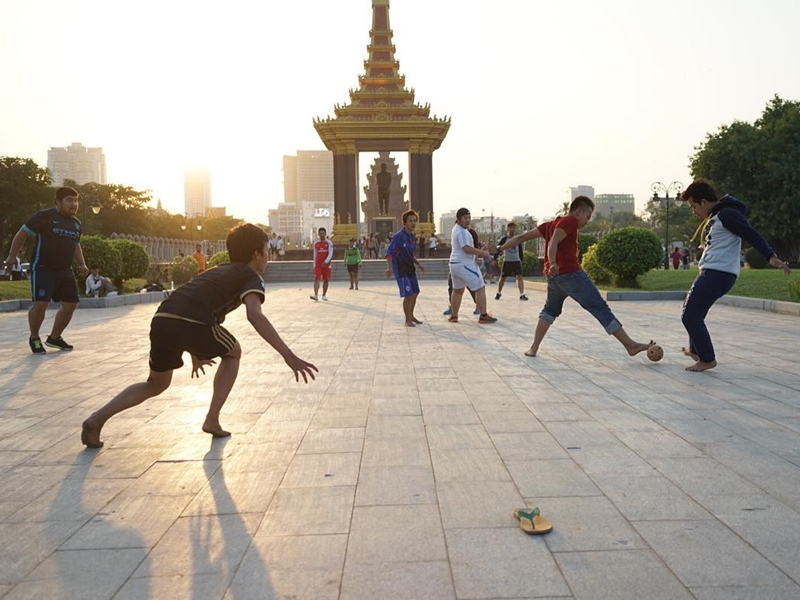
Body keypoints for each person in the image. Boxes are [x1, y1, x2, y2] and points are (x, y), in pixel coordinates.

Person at [80, 223, 318, 448]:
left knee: (155, 383)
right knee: (233, 352)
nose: (269, 256)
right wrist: (289, 356)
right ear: (256, 254)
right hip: (192, 322)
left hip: (162, 319)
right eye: (267, 251)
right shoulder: (250, 276)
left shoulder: (217, 270)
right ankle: (212, 419)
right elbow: (254, 315)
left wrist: (196, 351)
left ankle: (97, 419)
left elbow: (190, 302)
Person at [500, 196, 653, 357]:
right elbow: (553, 242)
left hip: (554, 278)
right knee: (599, 307)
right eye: (587, 217)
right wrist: (552, 262)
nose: (586, 222)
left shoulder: (549, 225)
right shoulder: (570, 221)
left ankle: (533, 348)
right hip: (570, 274)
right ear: (578, 212)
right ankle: (630, 345)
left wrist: (499, 248)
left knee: (549, 311)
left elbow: (521, 238)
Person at [679, 180, 790, 372]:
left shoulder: (728, 214)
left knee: (690, 315)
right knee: (692, 312)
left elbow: (752, 234)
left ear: (704, 201)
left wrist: (770, 256)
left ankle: (707, 359)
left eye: (694, 206)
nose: (694, 211)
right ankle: (696, 351)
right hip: (711, 271)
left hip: (718, 273)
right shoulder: (718, 216)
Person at [3, 186, 89, 354]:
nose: (74, 204)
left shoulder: (76, 224)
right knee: (41, 304)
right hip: (43, 267)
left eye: (76, 200)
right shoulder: (44, 217)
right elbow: (22, 234)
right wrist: (12, 256)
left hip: (64, 269)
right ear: (57, 202)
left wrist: (81, 264)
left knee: (71, 304)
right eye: (69, 200)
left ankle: (55, 337)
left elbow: (76, 244)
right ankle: (34, 338)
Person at [448, 208, 497, 324]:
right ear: (458, 219)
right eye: (465, 218)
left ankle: (454, 316)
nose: (467, 220)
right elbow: (466, 248)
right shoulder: (462, 232)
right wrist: (482, 253)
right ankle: (483, 315)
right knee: (480, 287)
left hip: (455, 264)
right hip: (464, 264)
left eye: (469, 218)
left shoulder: (456, 230)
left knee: (458, 290)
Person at [384, 209, 426, 326]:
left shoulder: (412, 237)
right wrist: (390, 268)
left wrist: (418, 264)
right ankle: (407, 319)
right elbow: (389, 253)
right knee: (407, 295)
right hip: (401, 269)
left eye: (414, 221)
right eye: (410, 221)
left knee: (415, 292)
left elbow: (410, 254)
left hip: (410, 268)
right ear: (405, 223)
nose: (413, 223)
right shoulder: (398, 237)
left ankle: (411, 315)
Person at [495, 222, 529, 301]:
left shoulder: (517, 238)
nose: (512, 229)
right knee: (503, 278)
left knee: (519, 277)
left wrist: (521, 259)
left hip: (516, 261)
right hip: (507, 261)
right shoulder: (504, 239)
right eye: (511, 228)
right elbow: (498, 249)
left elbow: (520, 249)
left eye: (514, 228)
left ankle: (522, 294)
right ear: (508, 229)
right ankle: (499, 293)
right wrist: (495, 258)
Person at [310, 227, 333, 301]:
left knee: (326, 280)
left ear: (325, 234)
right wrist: (314, 264)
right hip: (318, 265)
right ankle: (316, 295)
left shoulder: (329, 243)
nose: (322, 235)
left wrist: (326, 262)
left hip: (326, 265)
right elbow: (315, 254)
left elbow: (330, 254)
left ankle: (324, 295)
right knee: (316, 279)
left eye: (323, 233)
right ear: (318, 234)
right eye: (321, 233)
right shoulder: (316, 243)